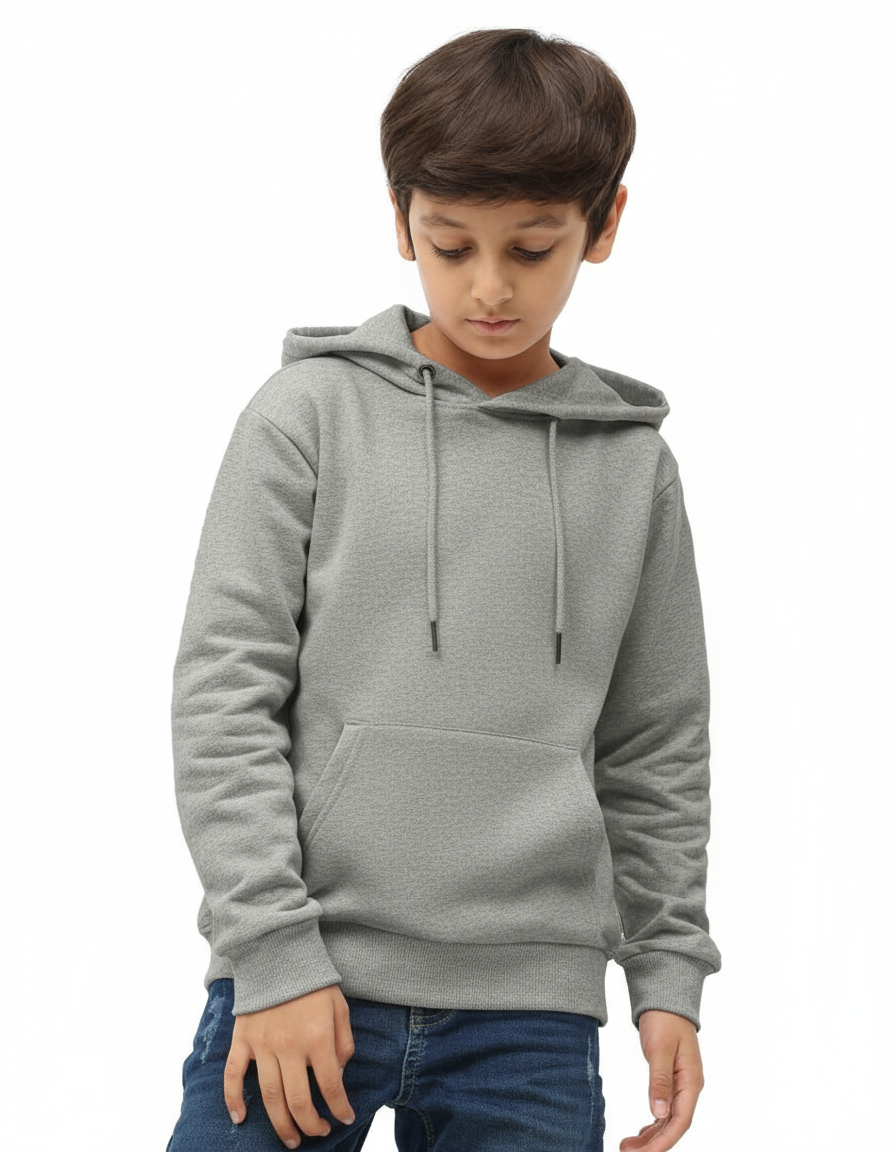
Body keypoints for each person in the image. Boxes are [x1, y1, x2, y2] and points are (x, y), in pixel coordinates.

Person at [166, 27, 722, 1152]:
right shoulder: (308, 417)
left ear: (605, 224)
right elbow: (223, 698)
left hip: (532, 1014)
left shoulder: (632, 468)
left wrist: (666, 972)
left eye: (532, 248)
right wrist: (271, 952)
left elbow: (655, 742)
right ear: (399, 217)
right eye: (450, 244)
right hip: (306, 978)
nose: (489, 287)